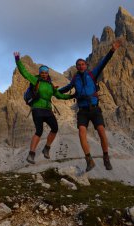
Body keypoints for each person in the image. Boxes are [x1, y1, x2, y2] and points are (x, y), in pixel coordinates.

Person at [59, 39, 122, 172]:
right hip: (82, 110)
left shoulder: (92, 74)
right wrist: (53, 91)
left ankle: (106, 157)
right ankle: (89, 160)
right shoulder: (75, 79)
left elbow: (103, 63)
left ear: (86, 65)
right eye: (78, 65)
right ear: (76, 67)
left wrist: (112, 50)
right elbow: (66, 89)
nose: (81, 66)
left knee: (101, 132)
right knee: (81, 133)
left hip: (94, 109)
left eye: (82, 64)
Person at [14, 52, 73, 164]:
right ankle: (31, 154)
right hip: (37, 109)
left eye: (46, 73)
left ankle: (47, 148)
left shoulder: (51, 85)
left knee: (55, 128)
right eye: (42, 73)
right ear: (40, 73)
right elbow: (24, 73)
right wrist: (17, 60)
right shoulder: (35, 80)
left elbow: (59, 95)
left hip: (47, 109)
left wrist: (72, 96)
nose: (44, 74)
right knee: (39, 131)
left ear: (48, 73)